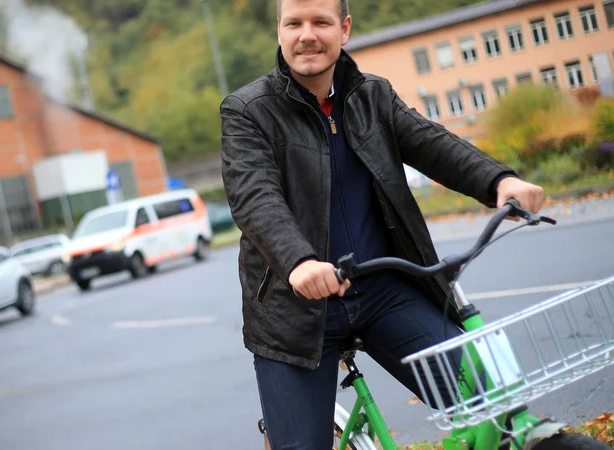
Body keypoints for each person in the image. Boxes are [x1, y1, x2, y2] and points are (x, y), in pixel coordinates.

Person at [219, 0, 546, 448]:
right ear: (279, 31)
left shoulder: (373, 96)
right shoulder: (247, 111)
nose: (306, 35)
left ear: (345, 28)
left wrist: (499, 180)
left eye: (321, 22)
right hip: (294, 310)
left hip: (383, 292)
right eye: (294, 23)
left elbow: (433, 143)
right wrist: (298, 263)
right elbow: (254, 195)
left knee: (493, 406)